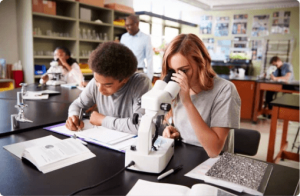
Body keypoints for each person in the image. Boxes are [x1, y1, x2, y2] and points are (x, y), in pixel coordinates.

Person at [161, 34, 241, 158]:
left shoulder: (225, 90)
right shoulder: (175, 88)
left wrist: (187, 102)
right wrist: (172, 131)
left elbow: (214, 150)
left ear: (201, 63)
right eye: (173, 71)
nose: (178, 78)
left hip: (214, 163)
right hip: (185, 157)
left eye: (184, 70)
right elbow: (187, 131)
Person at [66, 42, 151, 134]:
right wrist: (73, 116)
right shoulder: (97, 82)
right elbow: (78, 104)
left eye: (107, 85)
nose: (100, 89)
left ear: (125, 79)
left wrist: (103, 120)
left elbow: (141, 125)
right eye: (96, 81)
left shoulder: (140, 82)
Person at [120, 14, 153, 81]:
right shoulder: (124, 37)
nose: (128, 28)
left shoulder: (146, 38)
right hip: (125, 72)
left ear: (137, 24)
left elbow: (149, 58)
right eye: (126, 25)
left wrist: (149, 77)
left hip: (138, 72)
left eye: (130, 25)